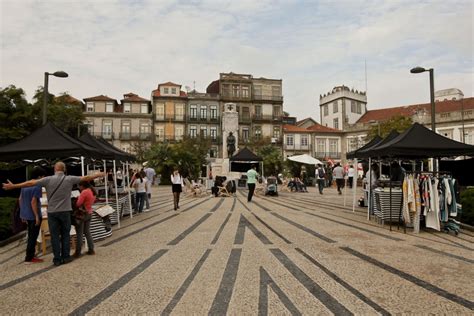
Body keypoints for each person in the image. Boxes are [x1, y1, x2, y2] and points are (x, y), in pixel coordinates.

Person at [2, 162, 104, 266]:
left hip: (52, 212)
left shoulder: (48, 179)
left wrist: (13, 186)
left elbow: (30, 183)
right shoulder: (69, 179)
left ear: (55, 169)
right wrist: (98, 175)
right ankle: (66, 257)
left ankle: (57, 259)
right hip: (65, 212)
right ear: (64, 169)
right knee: (65, 234)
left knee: (54, 236)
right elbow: (85, 178)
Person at [19, 166, 46, 264]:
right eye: (43, 176)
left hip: (26, 214)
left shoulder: (25, 185)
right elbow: (33, 202)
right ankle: (29, 258)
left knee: (31, 235)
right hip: (34, 215)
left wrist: (22, 214)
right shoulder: (37, 186)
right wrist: (36, 216)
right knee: (33, 237)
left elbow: (20, 199)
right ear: (39, 176)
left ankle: (30, 255)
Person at [74, 180, 96, 258]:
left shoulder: (84, 192)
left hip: (82, 214)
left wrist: (77, 199)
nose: (79, 188)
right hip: (89, 212)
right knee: (87, 232)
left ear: (82, 186)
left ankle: (78, 252)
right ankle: (91, 249)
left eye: (79, 186)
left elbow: (78, 204)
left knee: (79, 233)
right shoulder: (91, 191)